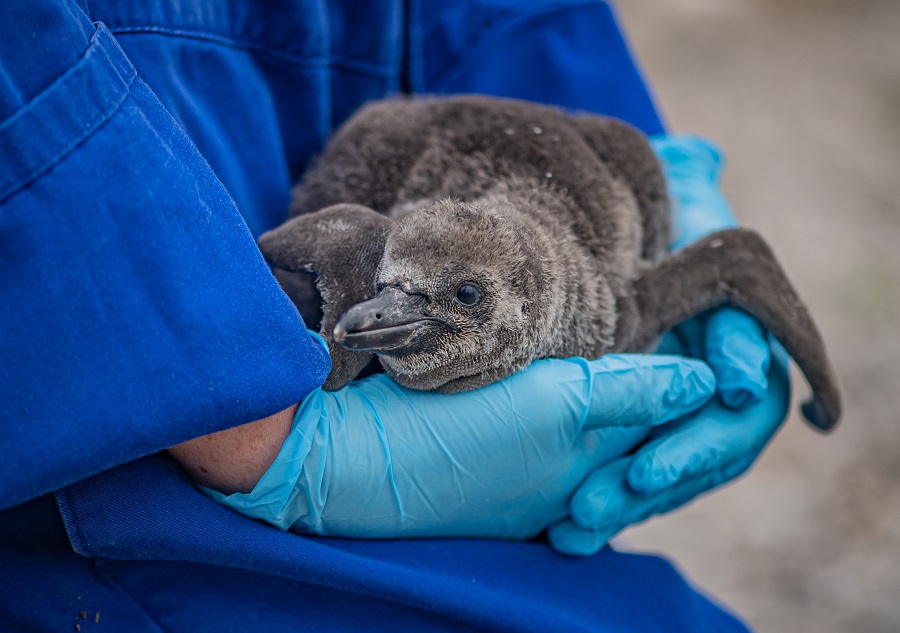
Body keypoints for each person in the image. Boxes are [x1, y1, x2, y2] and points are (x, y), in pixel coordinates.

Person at [0, 0, 790, 630]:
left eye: (464, 303)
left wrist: (656, 184)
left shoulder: (600, 303)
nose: (381, 314)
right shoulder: (363, 262)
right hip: (129, 453)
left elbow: (514, 48)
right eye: (389, 286)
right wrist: (257, 437)